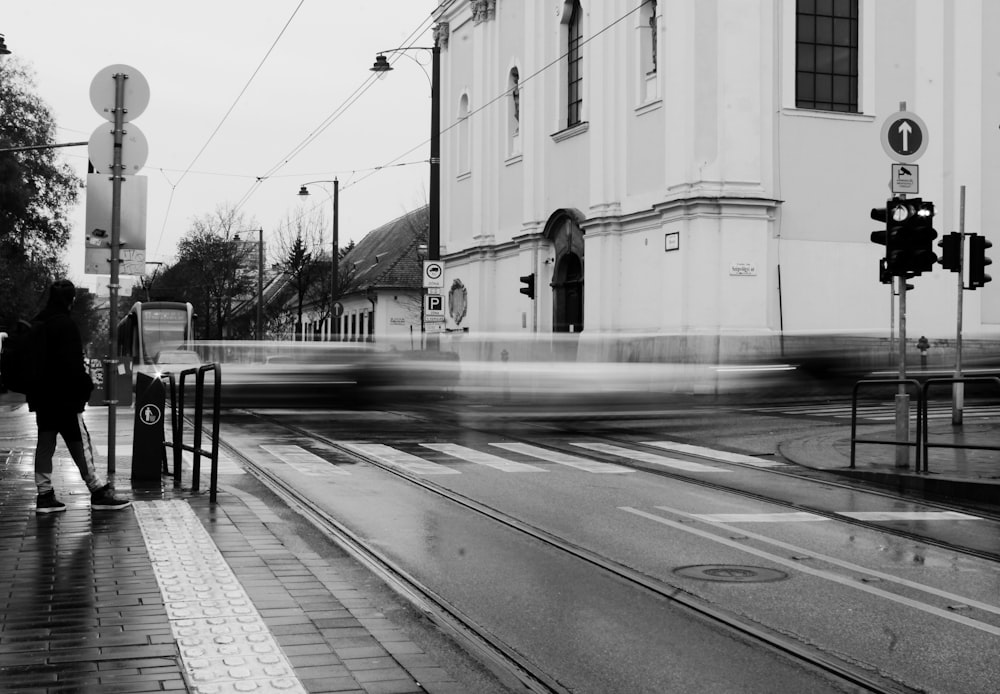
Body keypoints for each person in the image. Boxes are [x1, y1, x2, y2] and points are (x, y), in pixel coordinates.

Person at [29, 279, 130, 513]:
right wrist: (85, 389)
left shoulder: (38, 323)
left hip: (42, 399)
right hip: (65, 398)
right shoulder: (66, 325)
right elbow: (73, 364)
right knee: (80, 443)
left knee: (45, 444)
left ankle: (44, 495)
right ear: (71, 300)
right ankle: (97, 490)